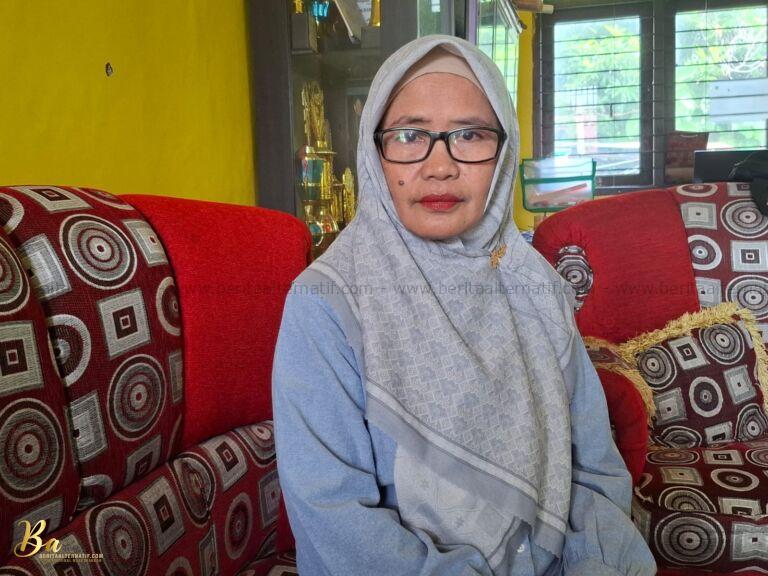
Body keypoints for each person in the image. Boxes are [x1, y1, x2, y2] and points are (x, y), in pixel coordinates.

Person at [272, 34, 656, 576]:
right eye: (409, 135)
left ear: (503, 153)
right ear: (373, 152)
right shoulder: (327, 303)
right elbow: (333, 517)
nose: (440, 166)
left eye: (471, 135)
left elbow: (594, 469)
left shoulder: (535, 287)